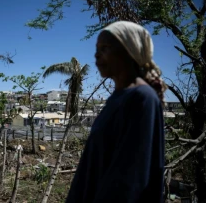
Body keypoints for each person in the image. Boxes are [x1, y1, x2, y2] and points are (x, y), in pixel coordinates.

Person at [66, 21, 167, 203]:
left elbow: (130, 178)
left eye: (105, 48)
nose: (96, 54)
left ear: (130, 51)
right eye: (96, 48)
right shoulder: (117, 98)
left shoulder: (142, 98)